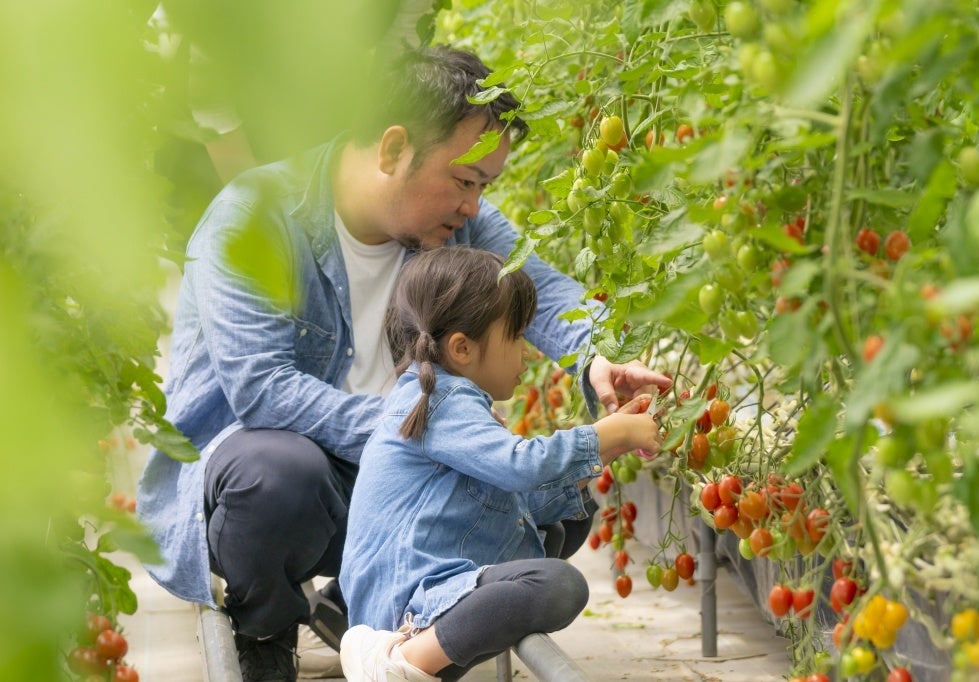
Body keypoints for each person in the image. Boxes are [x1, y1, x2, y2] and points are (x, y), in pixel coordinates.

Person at [136, 44, 671, 682]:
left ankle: (384, 612)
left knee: (551, 492)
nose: (474, 205)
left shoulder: (454, 220)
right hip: (282, 480)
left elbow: (539, 287)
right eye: (466, 180)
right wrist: (425, 427)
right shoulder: (252, 222)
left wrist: (597, 356)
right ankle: (266, 622)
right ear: (392, 150)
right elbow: (264, 390)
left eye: (483, 187)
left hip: (391, 479)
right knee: (281, 473)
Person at [339, 247, 662, 682]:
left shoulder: (442, 394)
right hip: (407, 598)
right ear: (462, 348)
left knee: (572, 515)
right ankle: (400, 661)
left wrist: (603, 449)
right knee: (561, 584)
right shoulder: (441, 400)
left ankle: (428, 653)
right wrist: (612, 434)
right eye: (517, 337)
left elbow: (520, 495)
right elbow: (520, 467)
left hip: (431, 577)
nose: (526, 354)